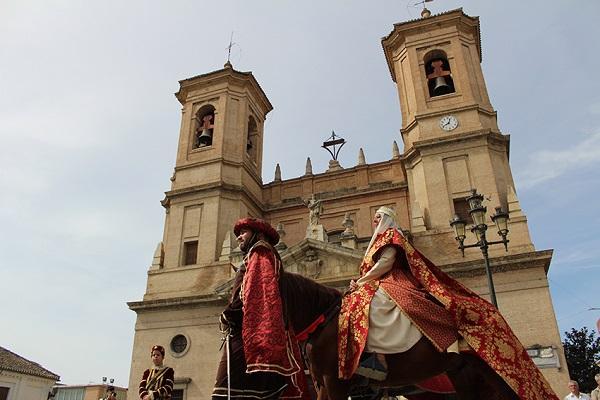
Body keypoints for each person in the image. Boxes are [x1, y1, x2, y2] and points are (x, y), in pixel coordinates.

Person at [338, 206, 558, 400]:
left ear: (386, 219)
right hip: (376, 282)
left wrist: (362, 280)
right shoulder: (376, 240)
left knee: (390, 305)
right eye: (374, 217)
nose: (375, 221)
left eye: (378, 216)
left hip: (393, 281)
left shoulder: (391, 236)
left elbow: (386, 263)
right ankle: (373, 355)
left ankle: (427, 339)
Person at [212, 217, 309, 399]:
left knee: (224, 390)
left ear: (258, 234)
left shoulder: (260, 252)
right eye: (239, 234)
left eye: (243, 232)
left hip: (247, 333)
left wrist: (229, 315)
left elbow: (254, 289)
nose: (239, 237)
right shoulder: (261, 254)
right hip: (252, 332)